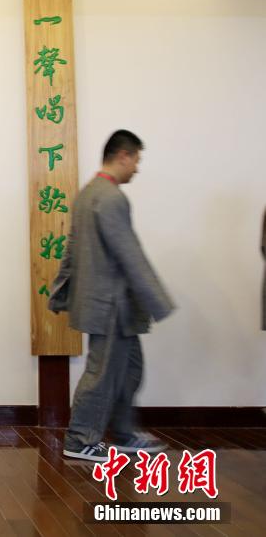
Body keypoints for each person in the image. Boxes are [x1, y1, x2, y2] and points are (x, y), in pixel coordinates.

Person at [49, 129, 175, 462]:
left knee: (130, 369)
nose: (137, 168)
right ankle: (79, 439)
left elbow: (71, 251)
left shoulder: (87, 194)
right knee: (101, 374)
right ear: (123, 155)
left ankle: (123, 432)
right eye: (136, 160)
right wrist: (160, 302)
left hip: (105, 303)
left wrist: (60, 293)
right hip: (110, 305)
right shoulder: (111, 197)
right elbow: (129, 254)